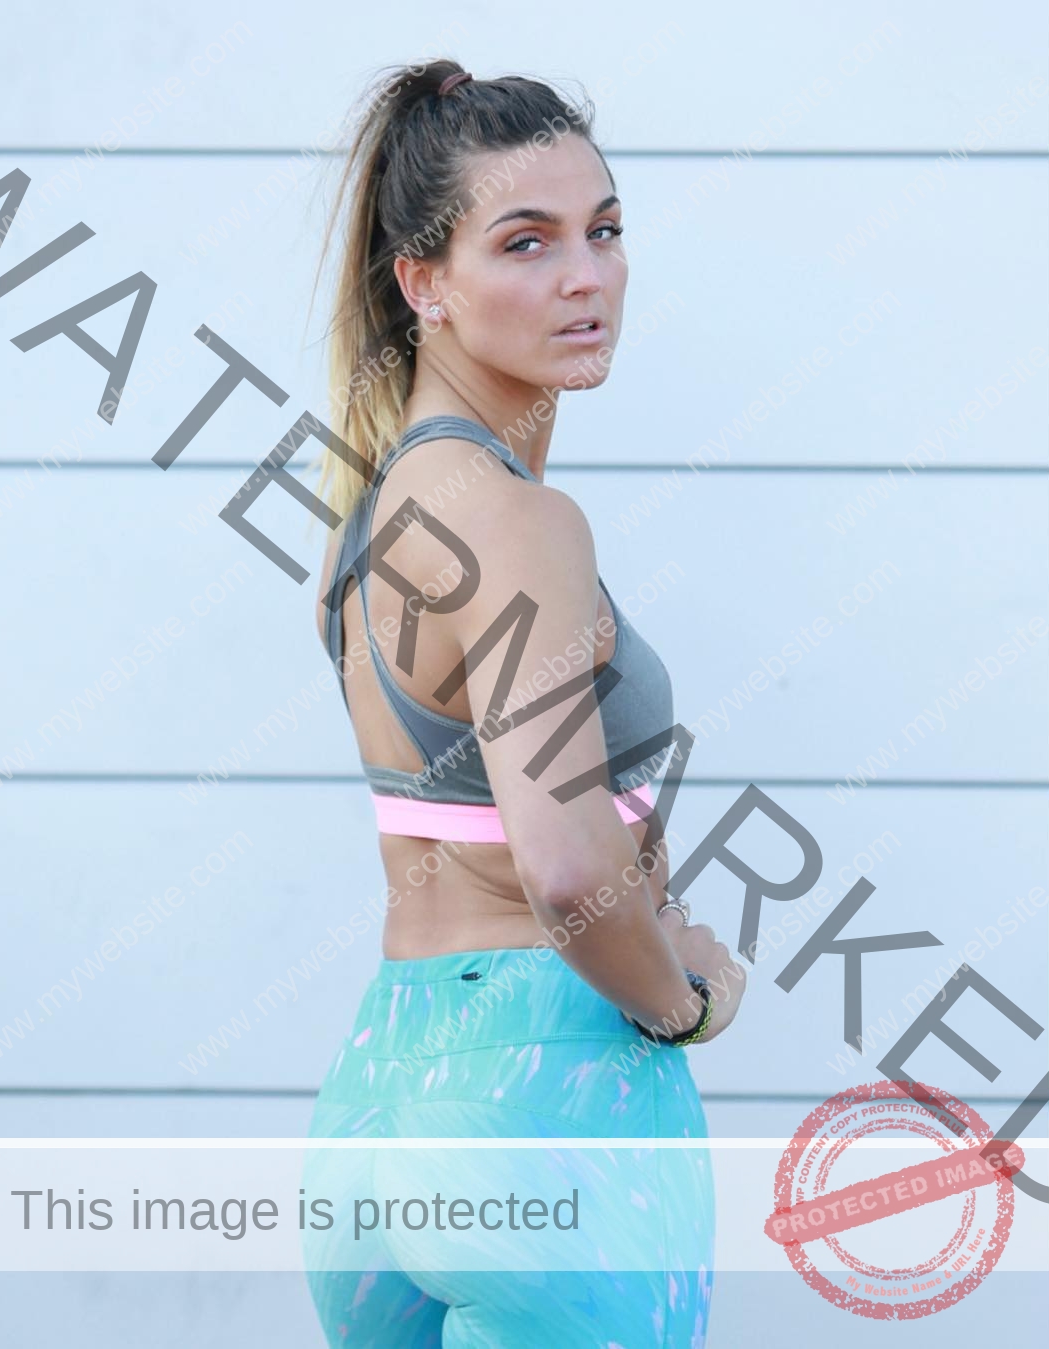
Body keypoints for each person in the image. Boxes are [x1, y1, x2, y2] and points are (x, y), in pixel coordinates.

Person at [302, 57, 747, 1348]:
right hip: (542, 1108)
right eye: (528, 241)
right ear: (422, 282)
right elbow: (560, 865)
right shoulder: (524, 522)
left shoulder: (368, 524)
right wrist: (685, 995)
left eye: (605, 231)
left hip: (380, 1098)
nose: (587, 275)